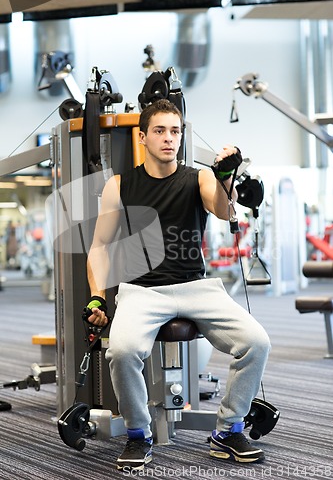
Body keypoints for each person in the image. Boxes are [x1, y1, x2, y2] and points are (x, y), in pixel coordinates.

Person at [86, 99, 271, 471]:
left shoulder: (198, 178)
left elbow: (223, 210)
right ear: (142, 137)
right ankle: (139, 433)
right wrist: (96, 299)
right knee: (121, 352)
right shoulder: (119, 186)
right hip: (142, 291)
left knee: (256, 342)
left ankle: (228, 429)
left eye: (175, 131)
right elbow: (99, 247)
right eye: (160, 131)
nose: (169, 138)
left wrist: (223, 177)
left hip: (197, 287)